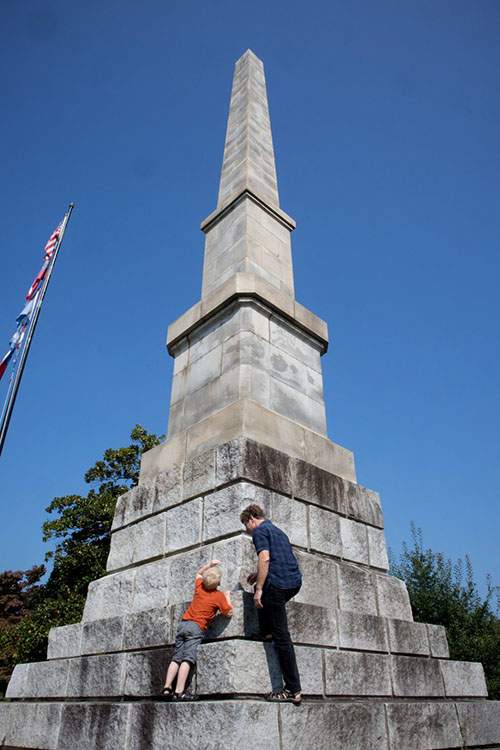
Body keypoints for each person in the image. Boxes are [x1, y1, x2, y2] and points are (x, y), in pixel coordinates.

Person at [240, 504, 303, 705]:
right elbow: (278, 560)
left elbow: (265, 558)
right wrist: (258, 575)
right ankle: (266, 630)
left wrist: (259, 588)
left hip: (277, 585)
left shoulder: (259, 531)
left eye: (245, 525)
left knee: (282, 635)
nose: (246, 530)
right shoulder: (278, 531)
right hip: (293, 582)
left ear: (251, 518)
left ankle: (293, 689)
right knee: (264, 590)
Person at [161, 559, 233, 701]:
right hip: (196, 627)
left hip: (184, 624)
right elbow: (228, 612)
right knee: (188, 659)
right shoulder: (218, 596)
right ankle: (179, 691)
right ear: (218, 582)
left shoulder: (199, 587)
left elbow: (198, 573)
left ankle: (167, 688)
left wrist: (209, 565)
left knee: (176, 658)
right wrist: (228, 597)